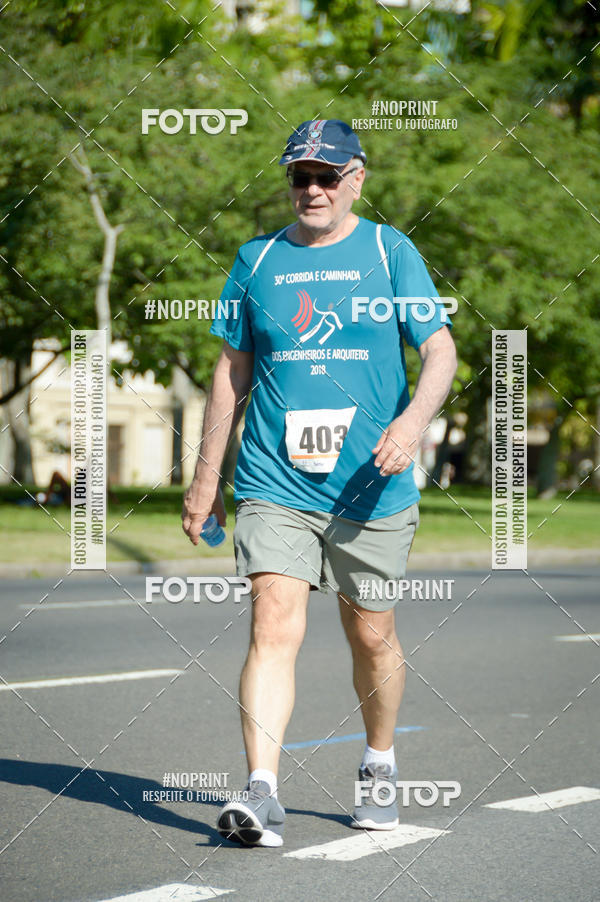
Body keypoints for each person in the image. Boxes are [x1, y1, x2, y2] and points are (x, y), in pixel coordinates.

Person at [182, 119, 457, 847]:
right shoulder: (257, 258)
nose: (311, 189)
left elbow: (439, 352)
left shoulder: (389, 251)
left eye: (326, 176)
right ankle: (261, 791)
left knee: (372, 634)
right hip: (275, 478)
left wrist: (410, 425)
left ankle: (378, 763)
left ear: (356, 179)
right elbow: (230, 371)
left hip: (372, 481)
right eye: (300, 176)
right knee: (273, 623)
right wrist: (206, 476)